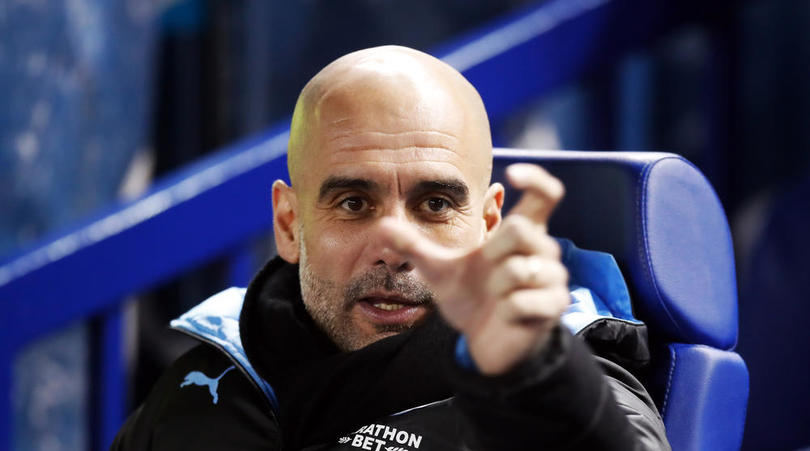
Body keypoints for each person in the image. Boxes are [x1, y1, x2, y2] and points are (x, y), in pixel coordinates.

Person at [112, 46, 669, 450]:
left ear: (489, 223)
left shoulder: (560, 370)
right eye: (354, 203)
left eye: (434, 205)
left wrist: (541, 378)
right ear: (289, 223)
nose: (394, 247)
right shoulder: (216, 370)